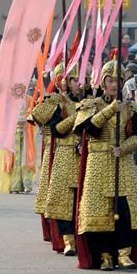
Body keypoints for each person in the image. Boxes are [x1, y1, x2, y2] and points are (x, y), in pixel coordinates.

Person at [73, 60, 137, 271]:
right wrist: (110, 110)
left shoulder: (131, 107)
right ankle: (105, 255)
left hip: (122, 162)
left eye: (117, 81)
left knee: (125, 209)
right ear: (102, 82)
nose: (113, 85)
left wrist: (125, 147)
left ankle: (124, 253)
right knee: (98, 210)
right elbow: (88, 130)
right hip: (98, 161)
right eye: (109, 81)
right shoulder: (91, 104)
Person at [30, 65, 82, 255]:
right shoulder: (56, 101)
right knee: (63, 197)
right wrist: (76, 115)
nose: (80, 84)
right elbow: (53, 127)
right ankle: (67, 239)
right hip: (64, 153)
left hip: (88, 155)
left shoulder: (91, 101)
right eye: (76, 80)